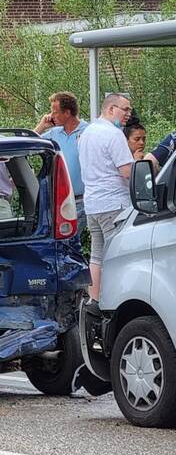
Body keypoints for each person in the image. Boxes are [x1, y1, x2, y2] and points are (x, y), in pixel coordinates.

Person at [78, 93, 134, 304]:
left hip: (92, 204)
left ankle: (94, 301)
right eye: (125, 109)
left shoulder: (87, 133)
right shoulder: (114, 134)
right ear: (111, 109)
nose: (128, 114)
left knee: (97, 254)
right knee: (117, 255)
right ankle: (115, 302)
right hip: (115, 204)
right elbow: (127, 172)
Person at [34, 92, 89, 231]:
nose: (51, 116)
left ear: (67, 113)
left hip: (81, 200)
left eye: (55, 112)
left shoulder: (88, 132)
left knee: (70, 239)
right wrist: (42, 126)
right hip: (58, 201)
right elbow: (29, 143)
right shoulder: (54, 134)